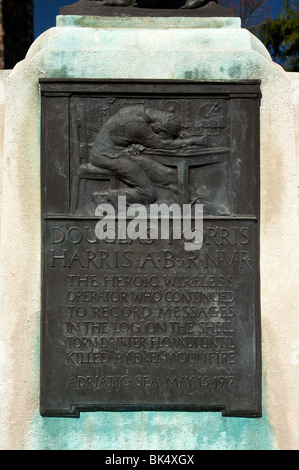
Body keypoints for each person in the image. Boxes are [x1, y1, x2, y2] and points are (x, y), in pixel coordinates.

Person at [80, 105, 214, 207]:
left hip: (122, 154)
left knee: (169, 175)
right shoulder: (137, 125)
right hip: (107, 157)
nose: (168, 138)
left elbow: (143, 139)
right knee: (148, 194)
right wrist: (194, 141)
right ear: (157, 128)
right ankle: (106, 197)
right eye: (167, 136)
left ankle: (195, 203)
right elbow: (162, 144)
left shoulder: (142, 110)